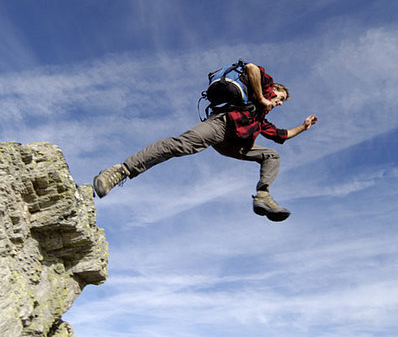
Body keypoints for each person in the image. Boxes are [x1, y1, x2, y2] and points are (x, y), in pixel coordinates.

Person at [93, 62, 318, 221]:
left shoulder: (261, 118)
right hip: (221, 124)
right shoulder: (266, 86)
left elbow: (283, 135)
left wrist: (303, 126)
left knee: (272, 155)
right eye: (280, 99)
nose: (279, 103)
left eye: (281, 102)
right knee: (179, 145)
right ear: (275, 90)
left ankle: (263, 196)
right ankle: (120, 171)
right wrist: (261, 97)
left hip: (235, 144)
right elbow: (250, 68)